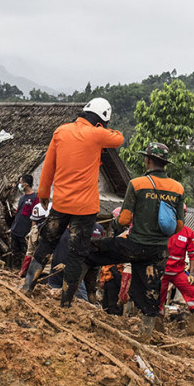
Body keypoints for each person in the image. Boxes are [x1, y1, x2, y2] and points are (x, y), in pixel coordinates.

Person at [23, 97, 124, 303]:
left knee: (45, 245)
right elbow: (119, 138)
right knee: (77, 254)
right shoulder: (97, 134)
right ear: (100, 121)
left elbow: (49, 166)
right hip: (85, 209)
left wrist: (43, 194)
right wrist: (101, 130)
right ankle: (66, 301)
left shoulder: (60, 131)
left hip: (60, 204)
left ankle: (27, 286)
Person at [86, 142, 184, 337]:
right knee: (151, 293)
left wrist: (115, 222)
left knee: (91, 251)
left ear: (147, 160)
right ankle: (145, 335)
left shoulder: (137, 184)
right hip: (158, 251)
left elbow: (124, 219)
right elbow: (179, 225)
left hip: (134, 245)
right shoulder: (178, 188)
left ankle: (79, 296)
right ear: (165, 163)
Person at [159, 209, 194, 314]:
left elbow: (192, 254)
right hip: (162, 271)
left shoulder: (188, 232)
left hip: (177, 272)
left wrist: (191, 274)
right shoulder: (162, 229)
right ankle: (157, 323)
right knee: (158, 297)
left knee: (193, 291)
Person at [8, 174, 39, 269]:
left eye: (20, 183)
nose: (19, 185)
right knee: (14, 252)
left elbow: (35, 217)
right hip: (16, 230)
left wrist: (31, 232)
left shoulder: (35, 198)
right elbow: (19, 214)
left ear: (25, 184)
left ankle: (23, 272)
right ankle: (14, 270)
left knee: (25, 253)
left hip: (25, 233)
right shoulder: (22, 198)